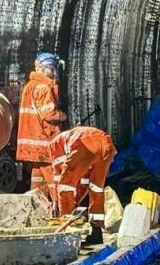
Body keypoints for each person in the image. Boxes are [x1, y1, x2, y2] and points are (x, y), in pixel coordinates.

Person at [46, 123, 117, 244]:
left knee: (65, 187)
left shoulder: (53, 147)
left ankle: (68, 233)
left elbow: (60, 180)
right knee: (97, 189)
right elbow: (84, 181)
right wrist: (76, 201)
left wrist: (57, 204)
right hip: (107, 145)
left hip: (84, 144)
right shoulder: (68, 138)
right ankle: (96, 231)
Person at [17, 52, 65, 192]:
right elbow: (49, 114)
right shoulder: (43, 88)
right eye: (53, 69)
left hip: (30, 141)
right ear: (44, 69)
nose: (54, 73)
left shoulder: (29, 86)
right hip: (43, 140)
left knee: (38, 174)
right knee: (53, 174)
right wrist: (63, 116)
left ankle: (37, 203)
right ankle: (61, 208)